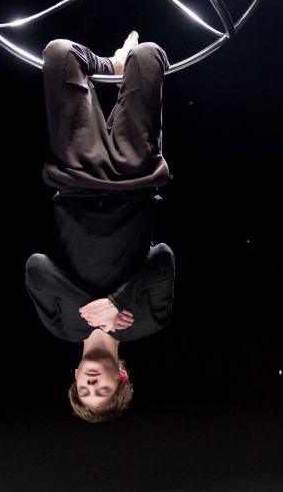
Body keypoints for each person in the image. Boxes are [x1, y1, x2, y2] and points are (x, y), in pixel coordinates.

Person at [24, 31, 176, 423]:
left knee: (60, 52)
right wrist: (118, 302)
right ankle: (126, 68)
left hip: (76, 179)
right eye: (103, 390)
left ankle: (112, 66)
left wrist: (94, 305)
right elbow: (163, 259)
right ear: (121, 377)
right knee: (149, 55)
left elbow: (36, 268)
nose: (92, 385)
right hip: (135, 181)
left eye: (84, 390)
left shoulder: (61, 327)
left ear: (75, 376)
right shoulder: (149, 323)